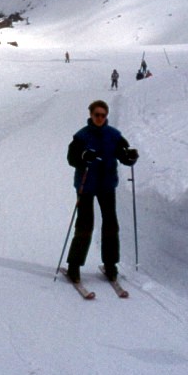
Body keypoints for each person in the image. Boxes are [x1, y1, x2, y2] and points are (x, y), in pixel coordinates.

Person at [66, 100, 139, 283]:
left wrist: (131, 157)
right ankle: (74, 266)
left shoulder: (114, 136)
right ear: (91, 115)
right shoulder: (81, 136)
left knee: (111, 224)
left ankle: (110, 265)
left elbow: (124, 157)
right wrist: (84, 157)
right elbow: (72, 158)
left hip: (106, 185)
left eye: (103, 115)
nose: (99, 118)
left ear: (106, 116)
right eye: (96, 115)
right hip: (86, 185)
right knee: (85, 224)